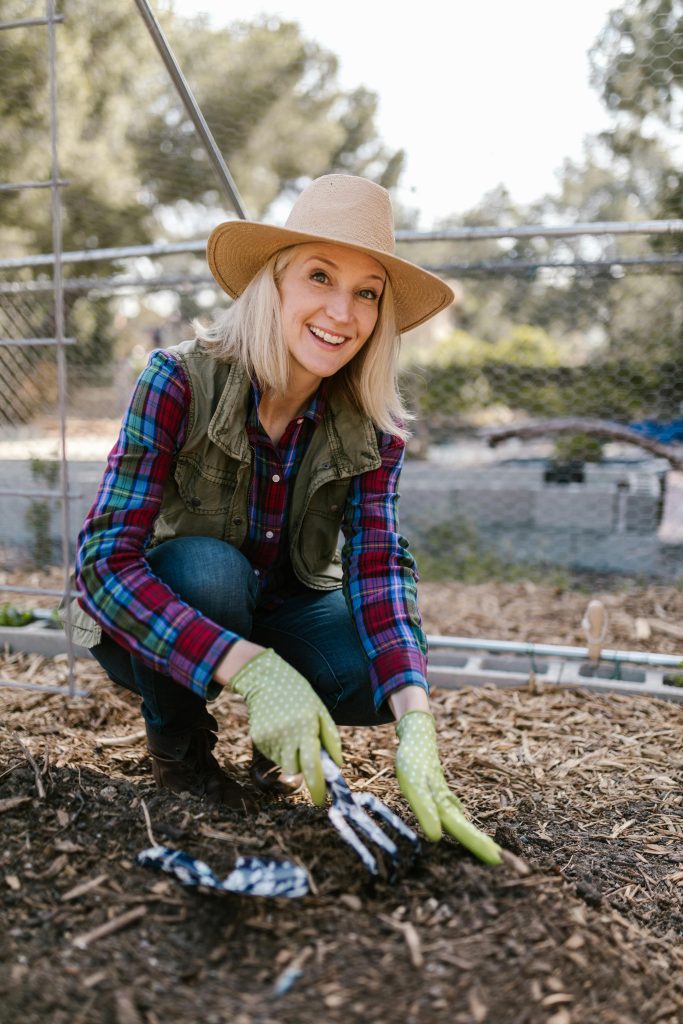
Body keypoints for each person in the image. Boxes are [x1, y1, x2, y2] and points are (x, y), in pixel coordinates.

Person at [68, 174, 501, 865]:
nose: (342, 310)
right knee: (207, 570)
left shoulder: (372, 424)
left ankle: (283, 750)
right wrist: (257, 672)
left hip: (284, 604)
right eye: (319, 276)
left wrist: (416, 720)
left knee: (378, 663)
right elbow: (101, 565)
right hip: (161, 618)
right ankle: (180, 753)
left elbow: (378, 566)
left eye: (366, 292)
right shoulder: (177, 379)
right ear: (273, 284)